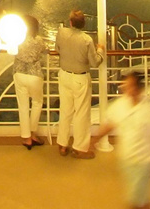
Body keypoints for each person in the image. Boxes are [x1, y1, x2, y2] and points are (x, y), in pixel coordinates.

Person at [92, 69, 150, 209]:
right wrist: (95, 139)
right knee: (140, 198)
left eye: (128, 85)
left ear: (138, 88)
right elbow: (111, 124)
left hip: (143, 162)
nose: (124, 88)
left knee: (136, 200)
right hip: (127, 161)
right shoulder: (121, 105)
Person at [56, 9, 103, 157]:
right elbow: (95, 62)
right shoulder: (86, 40)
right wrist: (100, 51)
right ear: (83, 24)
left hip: (64, 75)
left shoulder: (61, 33)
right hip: (79, 78)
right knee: (81, 114)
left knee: (65, 111)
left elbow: (58, 49)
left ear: (70, 22)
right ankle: (80, 148)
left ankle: (62, 144)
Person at [11, 16, 48, 148]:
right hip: (35, 75)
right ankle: (33, 134)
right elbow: (45, 49)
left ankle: (26, 138)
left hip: (19, 74)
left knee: (23, 106)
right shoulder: (39, 41)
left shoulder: (17, 39)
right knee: (37, 103)